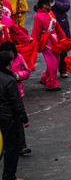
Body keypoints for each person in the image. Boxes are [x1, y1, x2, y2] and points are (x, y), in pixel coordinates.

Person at [0, 50, 29, 180]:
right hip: (8, 118)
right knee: (12, 148)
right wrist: (24, 119)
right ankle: (9, 176)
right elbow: (17, 103)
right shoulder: (9, 80)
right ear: (9, 62)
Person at [31, 0, 69, 91]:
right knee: (52, 62)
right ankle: (51, 83)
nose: (51, 5)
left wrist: (63, 38)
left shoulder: (50, 12)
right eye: (49, 3)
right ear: (44, 5)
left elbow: (57, 27)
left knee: (56, 60)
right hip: (46, 41)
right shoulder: (38, 17)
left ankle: (45, 78)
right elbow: (36, 32)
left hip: (54, 40)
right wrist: (35, 46)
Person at [39, 0, 71, 78]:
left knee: (63, 48)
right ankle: (50, 71)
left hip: (62, 24)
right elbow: (40, 8)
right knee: (50, 50)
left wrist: (54, 1)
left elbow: (66, 7)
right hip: (50, 27)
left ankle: (63, 69)